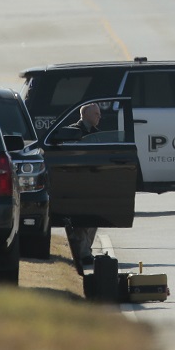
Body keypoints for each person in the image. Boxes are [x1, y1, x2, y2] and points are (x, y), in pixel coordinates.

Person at [64, 102, 102, 266]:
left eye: (99, 114)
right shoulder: (72, 131)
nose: (99, 117)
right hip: (77, 181)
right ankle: (83, 254)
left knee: (94, 219)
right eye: (96, 114)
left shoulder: (98, 134)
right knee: (79, 221)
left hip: (93, 182)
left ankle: (86, 251)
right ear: (85, 114)